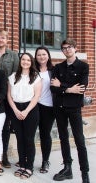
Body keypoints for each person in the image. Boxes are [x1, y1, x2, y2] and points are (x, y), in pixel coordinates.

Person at [50, 39, 90, 183]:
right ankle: (67, 169)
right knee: (63, 139)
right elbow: (53, 88)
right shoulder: (58, 67)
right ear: (62, 51)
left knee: (80, 140)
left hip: (74, 109)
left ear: (75, 48)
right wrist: (68, 88)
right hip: (59, 108)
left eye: (70, 47)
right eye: (64, 48)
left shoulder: (83, 67)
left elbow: (81, 88)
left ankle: (85, 174)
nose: (67, 50)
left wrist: (62, 86)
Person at [7, 53, 41, 179]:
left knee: (28, 139)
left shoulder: (36, 77)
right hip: (15, 109)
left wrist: (26, 111)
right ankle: (22, 164)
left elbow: (36, 96)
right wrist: (15, 110)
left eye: (28, 60)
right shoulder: (12, 77)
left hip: (30, 109)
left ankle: (29, 167)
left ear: (31, 62)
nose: (25, 62)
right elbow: (9, 95)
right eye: (23, 59)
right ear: (20, 61)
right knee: (20, 138)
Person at [0, 30, 19, 168]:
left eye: (3, 38)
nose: (0, 40)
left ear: (7, 40)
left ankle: (4, 155)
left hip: (7, 96)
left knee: (5, 127)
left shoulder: (13, 55)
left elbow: (16, 76)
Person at [34, 46, 55, 174]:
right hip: (34, 106)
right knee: (30, 133)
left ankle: (45, 161)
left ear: (48, 56)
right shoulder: (33, 70)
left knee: (45, 134)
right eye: (39, 55)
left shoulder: (54, 70)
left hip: (48, 107)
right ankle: (27, 158)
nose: (41, 57)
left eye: (44, 54)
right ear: (35, 57)